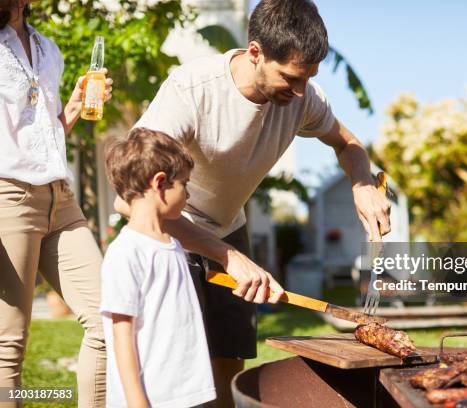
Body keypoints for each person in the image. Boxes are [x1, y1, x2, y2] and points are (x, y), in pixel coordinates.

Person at [122, 0, 391, 404]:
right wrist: (226, 256)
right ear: (255, 53)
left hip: (229, 226)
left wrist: (361, 184)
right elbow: (137, 198)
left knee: (229, 360)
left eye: (308, 78)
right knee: (173, 370)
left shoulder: (303, 98)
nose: (300, 92)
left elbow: (348, 143)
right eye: (289, 78)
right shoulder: (191, 91)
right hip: (170, 232)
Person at [0, 1, 112, 406]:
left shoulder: (49, 50)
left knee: (109, 319)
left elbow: (38, 132)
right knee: (8, 347)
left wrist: (72, 110)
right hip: (8, 199)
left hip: (60, 199)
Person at [102, 128, 216, 408]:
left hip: (183, 395)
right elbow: (122, 334)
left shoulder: (174, 245)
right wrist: (136, 401)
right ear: (160, 183)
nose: (187, 195)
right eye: (185, 185)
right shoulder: (127, 252)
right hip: (149, 398)